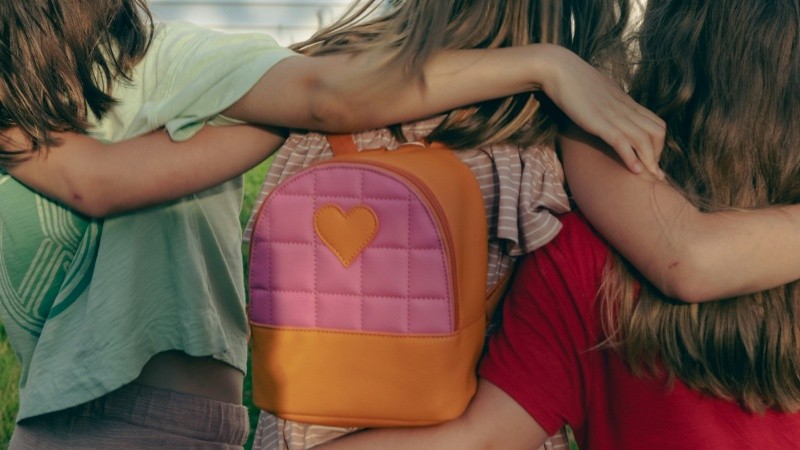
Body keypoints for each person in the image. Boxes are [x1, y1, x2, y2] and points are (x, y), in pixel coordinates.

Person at [0, 0, 667, 447]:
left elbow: (321, 99)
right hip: (453, 425)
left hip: (235, 419)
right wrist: (548, 66)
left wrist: (545, 66)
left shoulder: (210, 72)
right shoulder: (549, 142)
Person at [248, 0, 800, 449]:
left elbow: (487, 436)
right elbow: (690, 257)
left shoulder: (584, 252)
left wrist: (549, 67)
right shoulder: (552, 168)